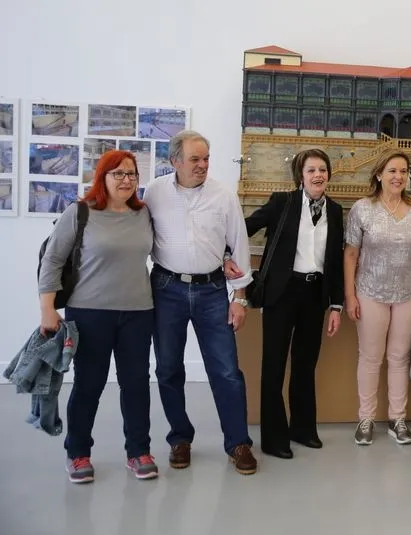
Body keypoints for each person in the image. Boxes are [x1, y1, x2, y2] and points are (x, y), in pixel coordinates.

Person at [37, 150, 156, 483]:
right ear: (102, 177)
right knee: (89, 384)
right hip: (90, 314)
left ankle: (139, 452)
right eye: (118, 173)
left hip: (138, 313)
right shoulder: (80, 212)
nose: (126, 180)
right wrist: (48, 308)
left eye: (132, 174)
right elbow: (52, 261)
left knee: (136, 384)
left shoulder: (143, 214)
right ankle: (78, 453)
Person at [144, 130, 257, 475]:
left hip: (212, 290)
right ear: (174, 161)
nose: (203, 165)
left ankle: (238, 443)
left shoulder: (224, 196)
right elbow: (141, 238)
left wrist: (239, 298)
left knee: (226, 370)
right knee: (168, 369)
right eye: (195, 159)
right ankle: (180, 438)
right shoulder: (154, 192)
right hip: (166, 289)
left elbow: (238, 244)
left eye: (206, 158)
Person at [244, 149, 344, 458]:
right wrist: (223, 253)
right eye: (311, 170)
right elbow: (244, 228)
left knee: (305, 364)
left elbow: (335, 261)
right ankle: (274, 438)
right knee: (274, 365)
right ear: (300, 175)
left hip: (314, 295)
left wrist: (336, 305)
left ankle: (302, 429)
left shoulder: (335, 210)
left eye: (322, 169)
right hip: (282, 293)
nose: (318, 175)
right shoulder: (282, 202)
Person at [344, 150, 411, 446]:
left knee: (399, 357)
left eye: (404, 171)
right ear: (379, 174)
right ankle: (366, 419)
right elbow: (351, 254)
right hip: (370, 292)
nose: (399, 176)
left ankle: (398, 419)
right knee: (370, 357)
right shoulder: (362, 209)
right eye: (392, 171)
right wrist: (350, 296)